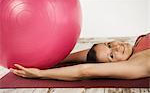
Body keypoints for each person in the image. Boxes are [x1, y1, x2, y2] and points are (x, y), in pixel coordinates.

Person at [10, 33, 150, 81]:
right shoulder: (138, 63)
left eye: (109, 44)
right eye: (112, 55)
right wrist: (40, 73)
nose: (116, 47)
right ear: (112, 66)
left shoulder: (134, 51)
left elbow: (89, 56)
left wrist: (48, 60)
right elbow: (85, 70)